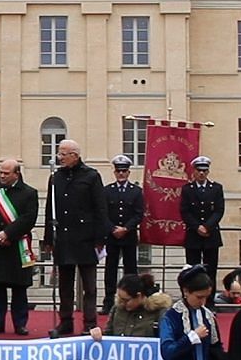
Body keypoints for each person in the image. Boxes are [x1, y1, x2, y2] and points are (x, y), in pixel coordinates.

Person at [43, 140, 109, 337]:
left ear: (75, 155)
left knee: (89, 286)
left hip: (86, 238)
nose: (60, 158)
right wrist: (48, 238)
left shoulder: (91, 176)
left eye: (64, 154)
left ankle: (90, 323)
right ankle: (65, 322)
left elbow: (100, 207)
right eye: (59, 154)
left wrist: (100, 237)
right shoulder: (55, 177)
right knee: (64, 284)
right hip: (63, 237)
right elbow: (50, 208)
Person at [0, 158, 38, 336]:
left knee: (19, 288)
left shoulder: (29, 193)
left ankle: (20, 324)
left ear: (16, 174)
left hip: (17, 245)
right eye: (1, 172)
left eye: (6, 173)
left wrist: (8, 234)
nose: (2, 176)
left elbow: (29, 218)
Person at [101, 154, 144, 315]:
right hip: (112, 236)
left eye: (124, 171)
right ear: (115, 172)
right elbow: (103, 213)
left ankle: (131, 300)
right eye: (118, 171)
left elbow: (139, 214)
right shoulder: (107, 191)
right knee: (110, 269)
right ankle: (108, 301)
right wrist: (113, 228)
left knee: (130, 269)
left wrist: (126, 228)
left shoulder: (136, 191)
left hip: (129, 235)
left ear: (128, 173)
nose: (121, 174)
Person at [179, 155, 224, 283]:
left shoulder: (216, 188)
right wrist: (197, 226)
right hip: (194, 234)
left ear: (208, 172)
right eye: (199, 170)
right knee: (193, 271)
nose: (202, 173)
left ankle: (209, 302)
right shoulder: (187, 189)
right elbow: (185, 211)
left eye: (204, 171)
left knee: (211, 271)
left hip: (211, 234)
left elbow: (219, 210)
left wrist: (207, 226)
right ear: (194, 171)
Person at [90, 274, 171, 339]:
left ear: (139, 296)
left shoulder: (159, 312)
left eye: (126, 300)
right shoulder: (117, 309)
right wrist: (98, 334)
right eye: (120, 298)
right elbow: (108, 335)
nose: (122, 302)